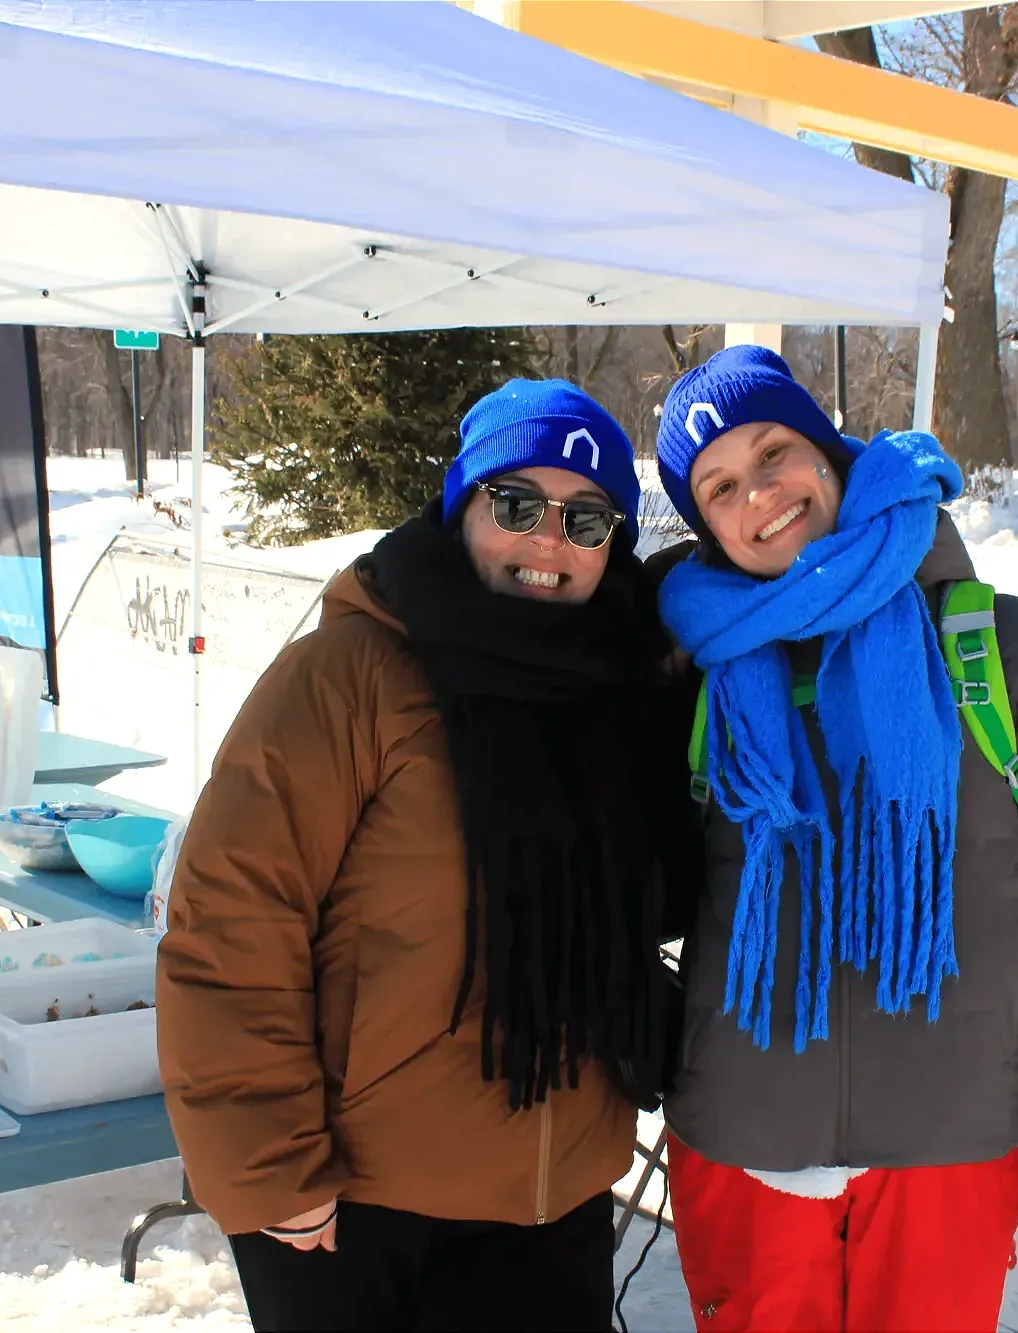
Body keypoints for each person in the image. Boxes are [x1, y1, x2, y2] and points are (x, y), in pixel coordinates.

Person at [648, 346, 1018, 1333]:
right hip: (739, 1148)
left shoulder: (1003, 652)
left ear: (830, 452)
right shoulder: (694, 675)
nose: (757, 494)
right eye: (719, 487)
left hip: (944, 1156)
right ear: (703, 527)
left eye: (773, 451)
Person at [157, 379, 701, 1333]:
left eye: (586, 518)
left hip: (559, 1198)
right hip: (359, 1207)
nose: (548, 542)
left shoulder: (623, 685)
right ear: (460, 505)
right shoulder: (352, 675)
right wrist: (270, 1164)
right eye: (518, 505)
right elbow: (232, 920)